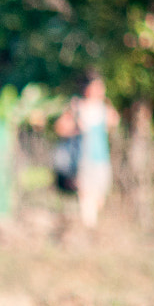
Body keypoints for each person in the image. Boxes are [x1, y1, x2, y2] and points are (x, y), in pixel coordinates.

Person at [54, 72, 120, 228]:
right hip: (83, 158)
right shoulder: (77, 107)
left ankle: (91, 225)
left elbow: (114, 121)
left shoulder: (104, 108)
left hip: (102, 158)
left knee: (99, 197)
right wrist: (77, 127)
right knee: (86, 194)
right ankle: (88, 228)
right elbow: (60, 128)